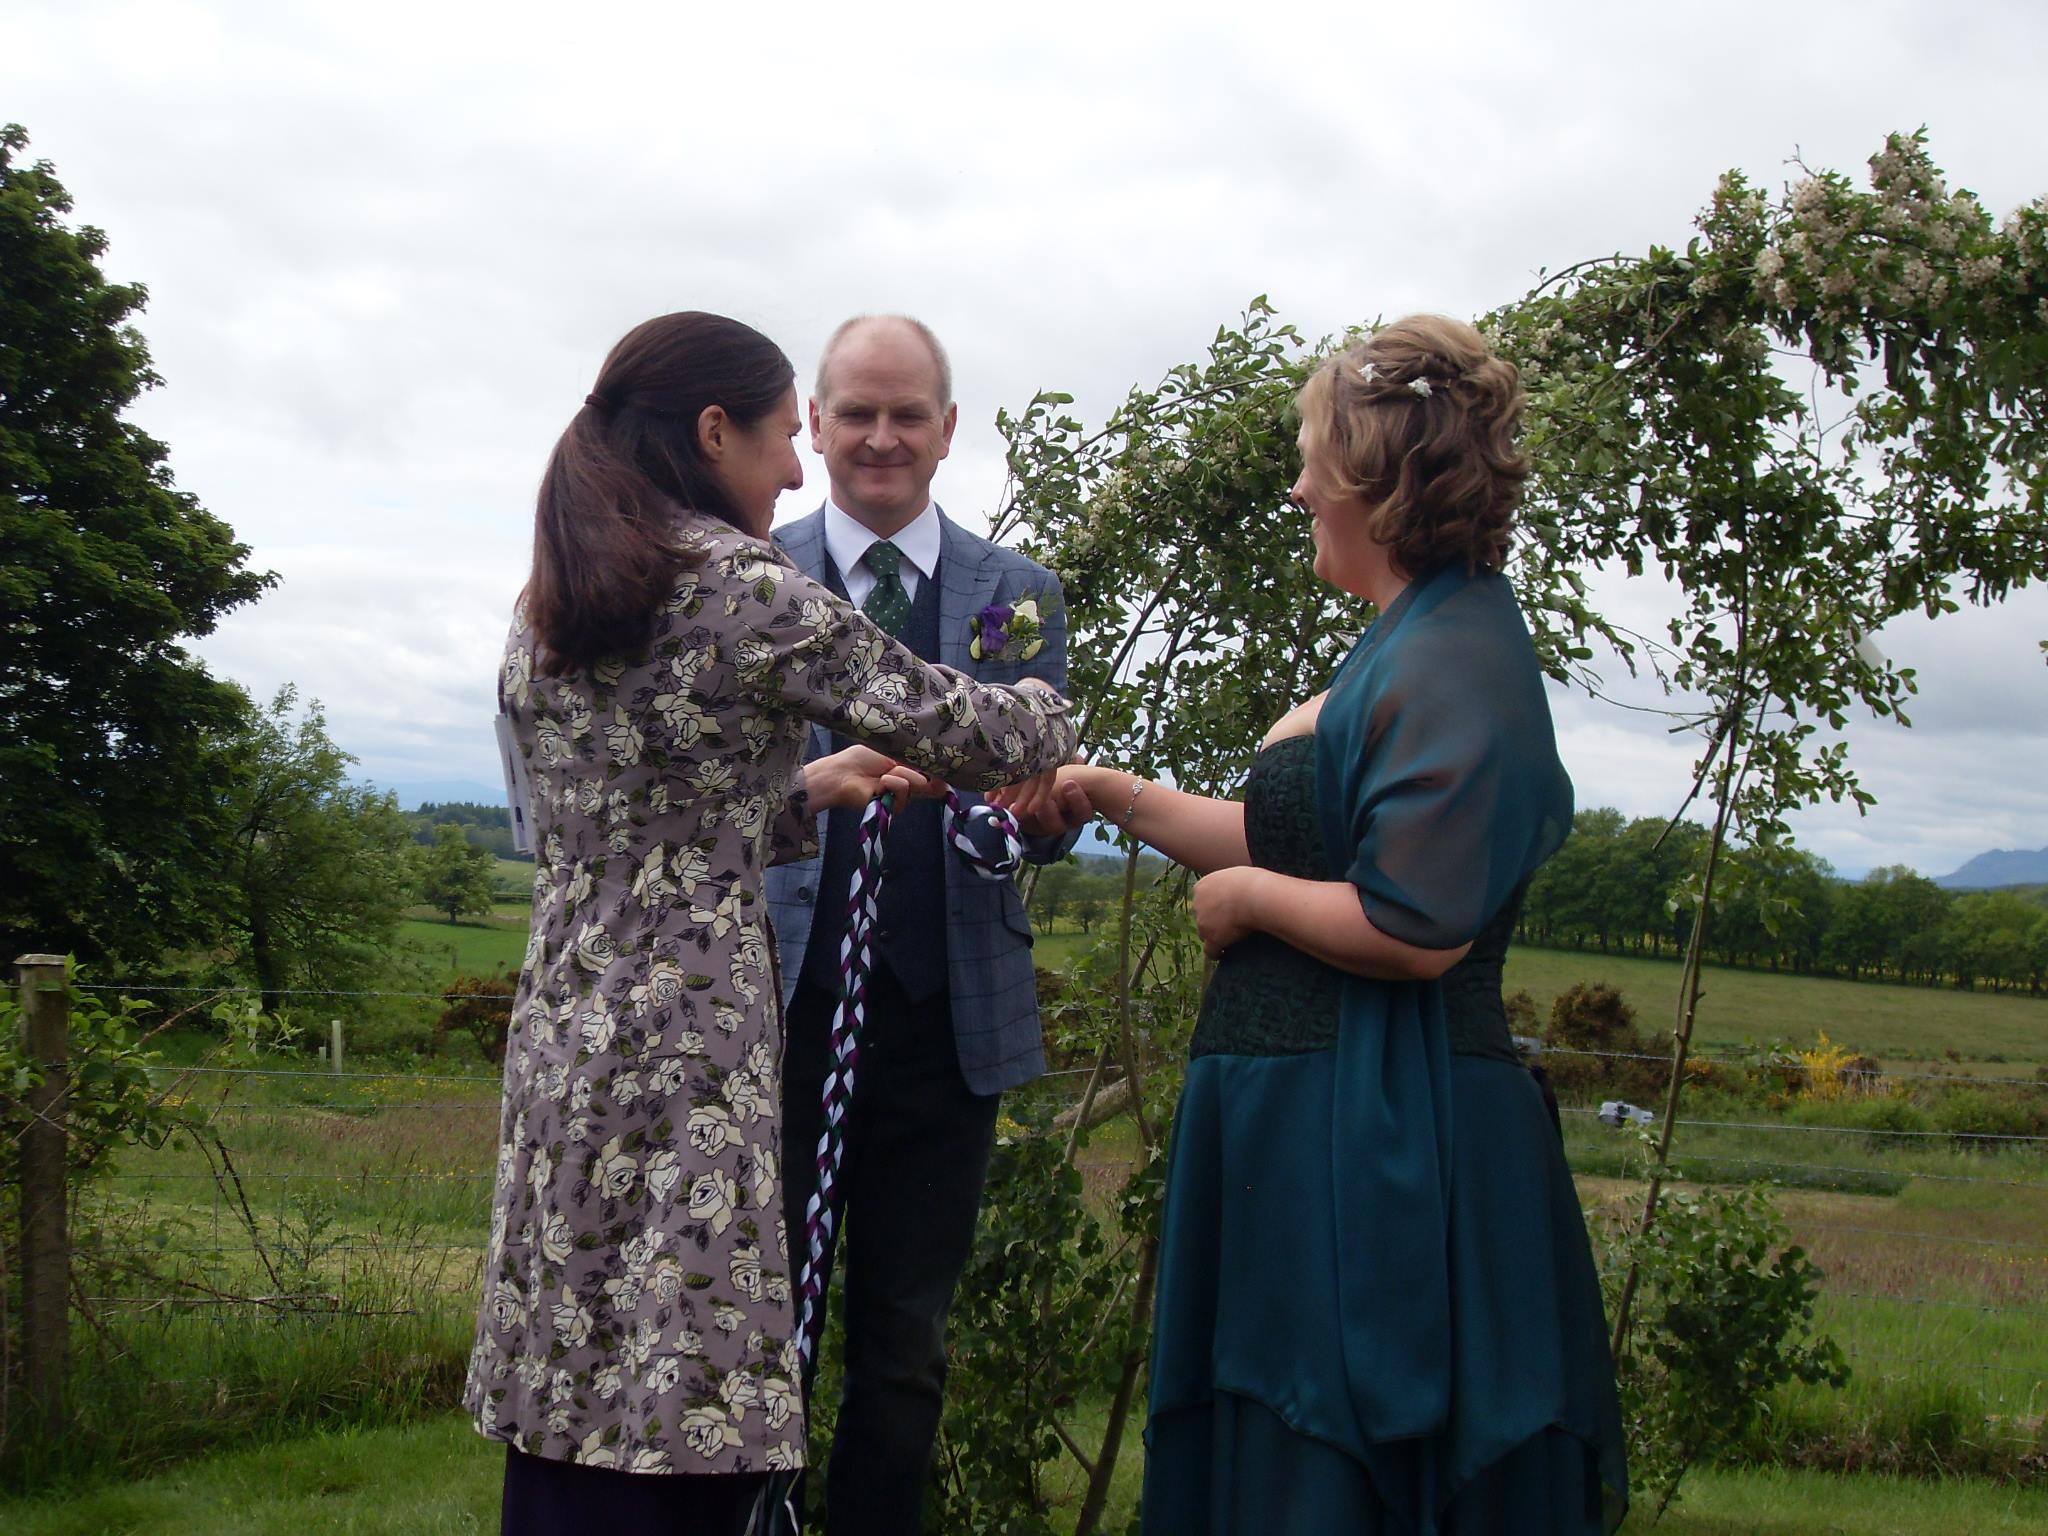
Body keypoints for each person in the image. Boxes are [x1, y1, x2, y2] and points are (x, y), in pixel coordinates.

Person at [999, 316, 1628, 1533]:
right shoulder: (1409, 636)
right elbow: (1305, 840)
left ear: (1379, 481)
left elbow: (1418, 922)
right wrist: (1115, 793)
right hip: (1309, 1115)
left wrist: (1238, 903)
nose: (1295, 486)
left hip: (1383, 1134)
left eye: (1309, 459)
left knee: (1334, 1454)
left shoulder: (1455, 655)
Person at [463, 311, 1077, 1536]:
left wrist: (798, 789)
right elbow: (980, 734)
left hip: (569, 1022)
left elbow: (628, 817)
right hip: (692, 1032)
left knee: (586, 1341)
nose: (797, 466)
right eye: (784, 432)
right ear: (713, 431)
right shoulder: (741, 578)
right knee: (695, 1351)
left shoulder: (562, 590)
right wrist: (1048, 718)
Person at [764, 314, 1085, 1533]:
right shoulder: (751, 574)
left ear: (949, 428)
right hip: (775, 1014)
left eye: (908, 414)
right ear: (815, 422)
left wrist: (1041, 814)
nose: (881, 438)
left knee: (905, 1347)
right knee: (758, 1330)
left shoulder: (1021, 596)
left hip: (947, 1023)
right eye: (856, 413)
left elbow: (1037, 809)